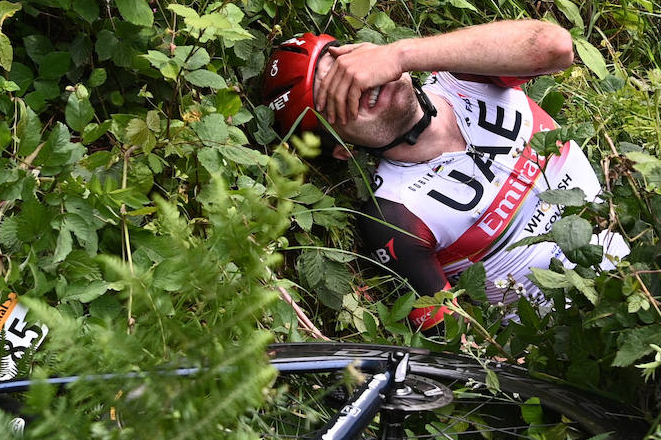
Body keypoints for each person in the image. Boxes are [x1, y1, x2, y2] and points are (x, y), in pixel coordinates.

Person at [260, 21, 625, 331]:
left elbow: (555, 46)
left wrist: (399, 54)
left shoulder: (464, 77)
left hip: (644, 244)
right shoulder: (394, 213)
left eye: (351, 68)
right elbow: (459, 338)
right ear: (342, 148)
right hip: (588, 330)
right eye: (339, 96)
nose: (361, 85)